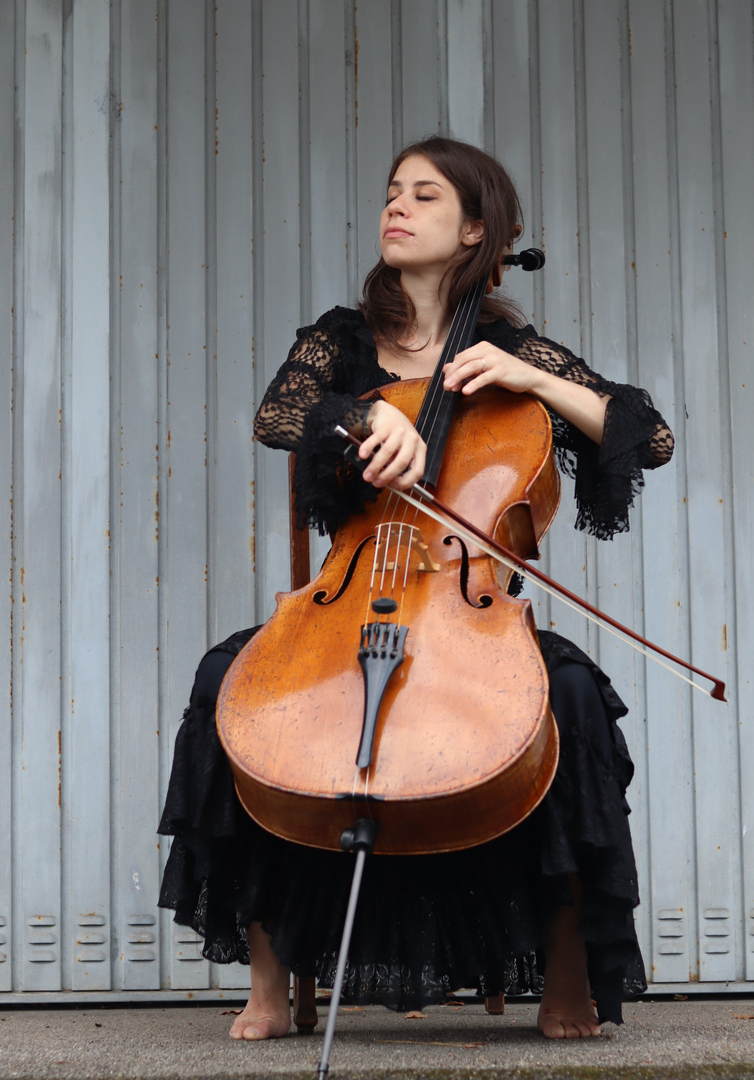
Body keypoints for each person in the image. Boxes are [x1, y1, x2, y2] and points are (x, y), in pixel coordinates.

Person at [158, 136, 674, 1043]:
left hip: (465, 610)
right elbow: (285, 417)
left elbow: (650, 434)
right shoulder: (341, 339)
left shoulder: (509, 351)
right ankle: (270, 983)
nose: (396, 206)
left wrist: (532, 378)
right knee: (222, 682)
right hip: (345, 600)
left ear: (476, 229)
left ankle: (565, 975)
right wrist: (360, 422)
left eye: (424, 196)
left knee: (575, 700)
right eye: (392, 191)